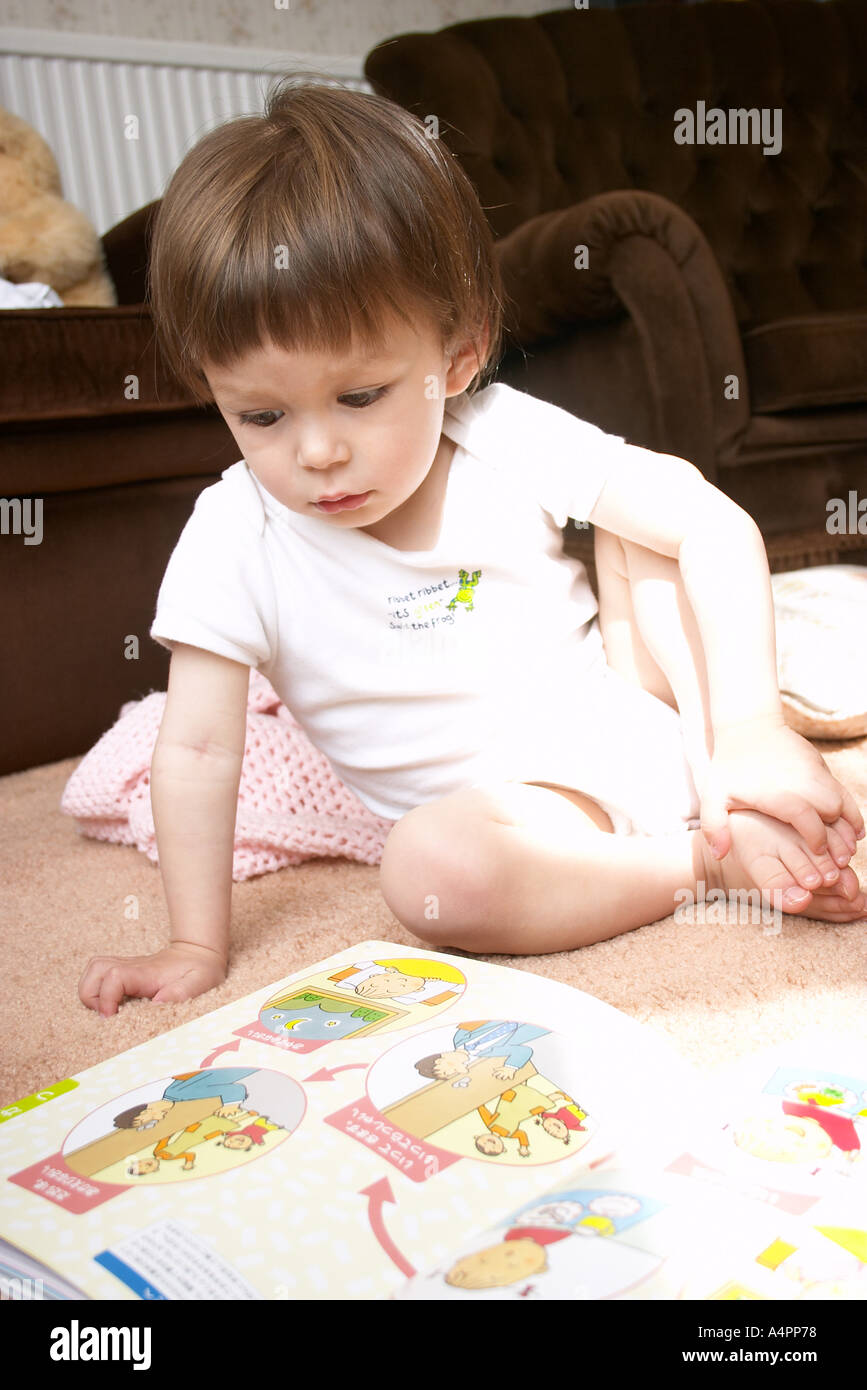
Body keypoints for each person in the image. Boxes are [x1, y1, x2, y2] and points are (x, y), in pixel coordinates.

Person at [78, 75, 864, 1017]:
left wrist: (747, 729)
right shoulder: (232, 533)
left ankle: (731, 783)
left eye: (360, 396)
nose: (317, 452)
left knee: (645, 522)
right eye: (261, 414)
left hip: (649, 712)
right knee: (430, 873)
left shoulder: (496, 429)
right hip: (530, 815)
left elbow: (709, 520)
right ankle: (704, 858)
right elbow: (200, 751)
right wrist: (194, 942)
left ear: (456, 354)